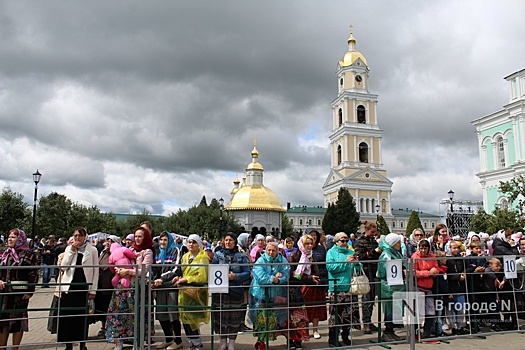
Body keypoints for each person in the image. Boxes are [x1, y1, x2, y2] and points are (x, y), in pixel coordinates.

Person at [106, 226, 154, 350]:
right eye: (136, 236)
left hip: (137, 287)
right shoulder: (130, 249)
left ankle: (137, 342)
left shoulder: (147, 251)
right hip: (122, 287)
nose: (137, 239)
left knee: (136, 315)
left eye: (140, 236)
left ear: (145, 237)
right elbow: (118, 261)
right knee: (119, 313)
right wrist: (118, 269)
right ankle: (119, 341)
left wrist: (127, 271)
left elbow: (144, 270)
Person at [57, 227, 99, 350]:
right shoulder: (69, 248)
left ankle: (82, 344)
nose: (77, 238)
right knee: (67, 317)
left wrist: (93, 290)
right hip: (69, 288)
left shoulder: (92, 250)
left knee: (81, 318)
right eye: (75, 235)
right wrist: (71, 250)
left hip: (83, 286)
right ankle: (68, 345)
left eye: (80, 236)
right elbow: (64, 267)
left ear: (85, 236)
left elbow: (95, 271)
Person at [0, 228, 39, 350]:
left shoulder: (28, 255)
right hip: (3, 294)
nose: (9, 239)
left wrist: (30, 291)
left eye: (13, 237)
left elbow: (33, 273)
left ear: (20, 239)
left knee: (18, 322)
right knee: (2, 323)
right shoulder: (3, 254)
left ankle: (15, 348)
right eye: (9, 237)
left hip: (19, 294)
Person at [211, 232, 251, 350]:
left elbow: (247, 273)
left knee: (234, 317)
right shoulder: (217, 255)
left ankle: (232, 343)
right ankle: (222, 342)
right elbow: (213, 270)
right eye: (226, 240)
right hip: (221, 291)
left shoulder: (241, 256)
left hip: (235, 290)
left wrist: (235, 277)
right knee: (220, 317)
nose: (228, 242)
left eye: (231, 240)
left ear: (235, 242)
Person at [172, 234, 209, 350]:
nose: (191, 244)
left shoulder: (203, 257)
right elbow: (181, 270)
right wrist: (178, 277)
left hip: (197, 292)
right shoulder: (185, 256)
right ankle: (193, 343)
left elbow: (202, 276)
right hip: (185, 292)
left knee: (193, 318)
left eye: (194, 242)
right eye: (189, 242)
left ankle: (197, 343)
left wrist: (187, 279)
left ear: (198, 244)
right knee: (186, 318)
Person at [250, 241, 290, 350]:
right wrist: (273, 278)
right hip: (260, 295)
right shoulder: (260, 260)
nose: (271, 252)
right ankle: (261, 341)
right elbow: (260, 277)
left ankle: (263, 341)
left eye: (273, 250)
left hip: (275, 295)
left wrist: (279, 280)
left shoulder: (282, 260)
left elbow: (286, 275)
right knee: (261, 319)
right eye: (269, 250)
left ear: (277, 251)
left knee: (272, 320)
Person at [326, 232, 362, 347]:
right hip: (336, 287)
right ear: (336, 241)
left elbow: (359, 267)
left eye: (346, 241)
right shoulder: (331, 252)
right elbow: (330, 268)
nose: (345, 243)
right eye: (342, 241)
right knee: (335, 315)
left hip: (350, 287)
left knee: (348, 314)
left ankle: (345, 336)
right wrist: (345, 263)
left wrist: (356, 263)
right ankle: (333, 339)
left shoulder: (351, 251)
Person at [152, 231, 186, 350]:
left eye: (165, 240)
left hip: (171, 286)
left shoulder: (175, 250)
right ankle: (168, 339)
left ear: (170, 241)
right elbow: (154, 269)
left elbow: (176, 268)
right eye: (161, 240)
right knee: (161, 314)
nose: (162, 242)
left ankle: (178, 341)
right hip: (160, 288)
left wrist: (161, 278)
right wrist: (152, 279)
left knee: (173, 314)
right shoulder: (157, 253)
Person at [289, 234, 322, 348]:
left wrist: (311, 277)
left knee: (303, 318)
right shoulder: (294, 255)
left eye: (310, 244)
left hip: (308, 289)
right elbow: (293, 275)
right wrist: (309, 278)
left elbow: (316, 272)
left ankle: (299, 340)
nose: (308, 246)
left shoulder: (311, 256)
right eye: (306, 243)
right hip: (295, 290)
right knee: (293, 317)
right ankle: (291, 340)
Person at [375, 233, 406, 342]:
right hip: (389, 286)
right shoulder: (387, 254)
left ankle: (391, 331)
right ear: (392, 243)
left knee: (395, 309)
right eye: (397, 242)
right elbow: (385, 271)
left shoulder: (396, 253)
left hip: (397, 285)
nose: (399, 244)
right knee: (389, 309)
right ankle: (387, 332)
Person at [354, 221, 381, 334]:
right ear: (367, 230)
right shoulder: (360, 242)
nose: (373, 234)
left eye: (375, 232)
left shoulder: (374, 241)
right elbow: (360, 256)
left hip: (374, 271)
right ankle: (365, 323)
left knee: (371, 298)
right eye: (372, 232)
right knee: (366, 298)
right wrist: (373, 252)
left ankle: (369, 321)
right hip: (365, 272)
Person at [412, 239, 439, 343]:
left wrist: (435, 271)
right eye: (421, 248)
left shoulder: (432, 257)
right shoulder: (415, 257)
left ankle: (426, 334)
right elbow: (414, 272)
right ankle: (415, 333)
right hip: (418, 287)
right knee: (417, 312)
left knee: (431, 312)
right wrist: (428, 273)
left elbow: (436, 268)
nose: (423, 250)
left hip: (429, 288)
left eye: (425, 248)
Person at [491, 228, 519, 330]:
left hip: (509, 276)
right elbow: (514, 256)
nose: (509, 239)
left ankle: (512, 321)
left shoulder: (504, 246)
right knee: (506, 300)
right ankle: (508, 321)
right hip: (503, 276)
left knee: (511, 300)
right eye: (507, 237)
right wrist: (514, 246)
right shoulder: (500, 247)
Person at [92, 235, 119, 339]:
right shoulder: (103, 253)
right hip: (101, 285)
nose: (108, 243)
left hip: (111, 286)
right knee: (102, 308)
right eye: (107, 241)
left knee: (110, 308)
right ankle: (103, 328)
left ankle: (111, 329)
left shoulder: (117, 253)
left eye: (111, 241)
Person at [445, 241, 468, 335]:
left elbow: (469, 267)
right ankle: (453, 326)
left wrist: (464, 273)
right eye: (453, 248)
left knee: (460, 309)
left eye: (457, 248)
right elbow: (448, 275)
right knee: (451, 310)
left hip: (460, 288)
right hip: (451, 288)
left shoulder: (461, 259)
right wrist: (458, 276)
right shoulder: (447, 260)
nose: (456, 250)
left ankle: (460, 327)